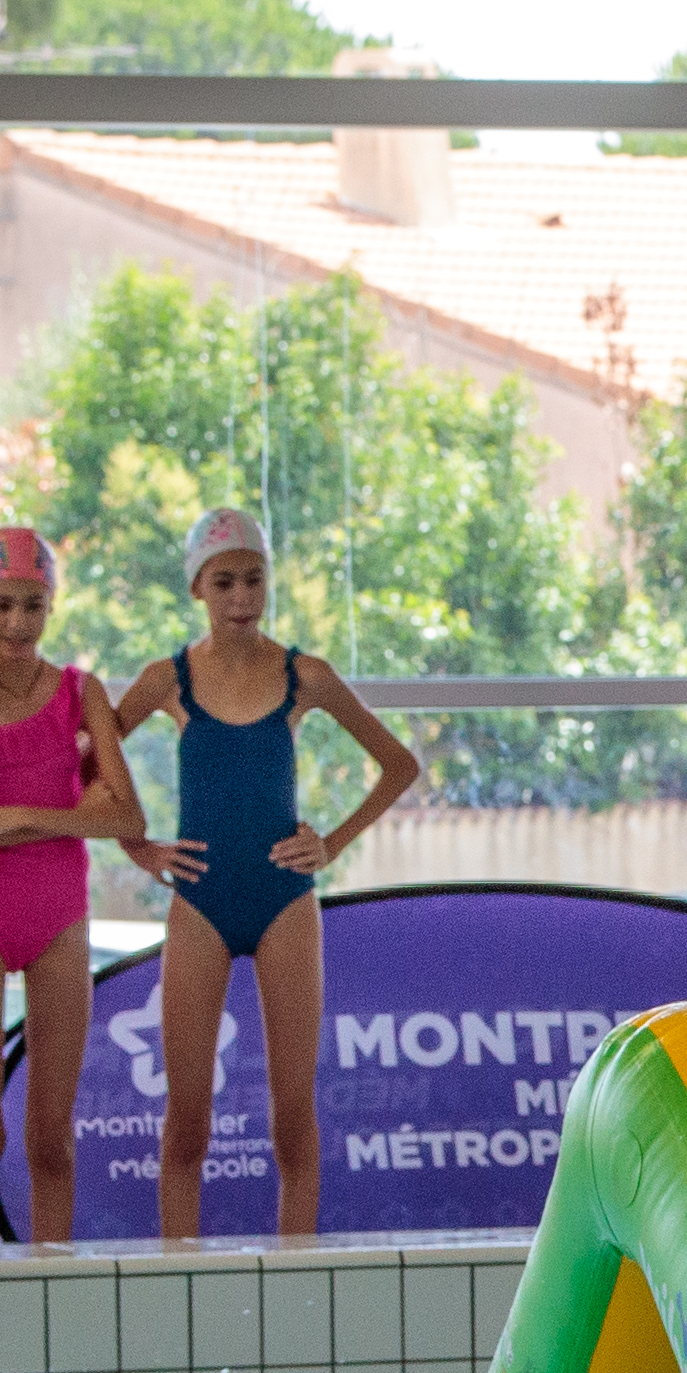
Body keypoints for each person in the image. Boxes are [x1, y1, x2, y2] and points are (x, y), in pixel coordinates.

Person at [111, 508, 421, 1242]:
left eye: (254, 579)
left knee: (292, 1114)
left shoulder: (303, 675)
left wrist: (333, 841)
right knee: (187, 1118)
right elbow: (90, 766)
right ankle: (176, 1275)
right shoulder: (168, 681)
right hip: (201, 901)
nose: (242, 596)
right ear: (197, 587)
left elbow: (399, 764)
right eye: (225, 582)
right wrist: (141, 848)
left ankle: (296, 1278)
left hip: (285, 901)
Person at [0, 529, 144, 1249]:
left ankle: (51, 1283)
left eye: (33, 606)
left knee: (51, 1135)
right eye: (2, 605)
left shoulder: (79, 692)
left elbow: (128, 815)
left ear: (52, 606)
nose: (16, 624)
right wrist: (70, 818)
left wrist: (13, 814)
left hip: (60, 914)